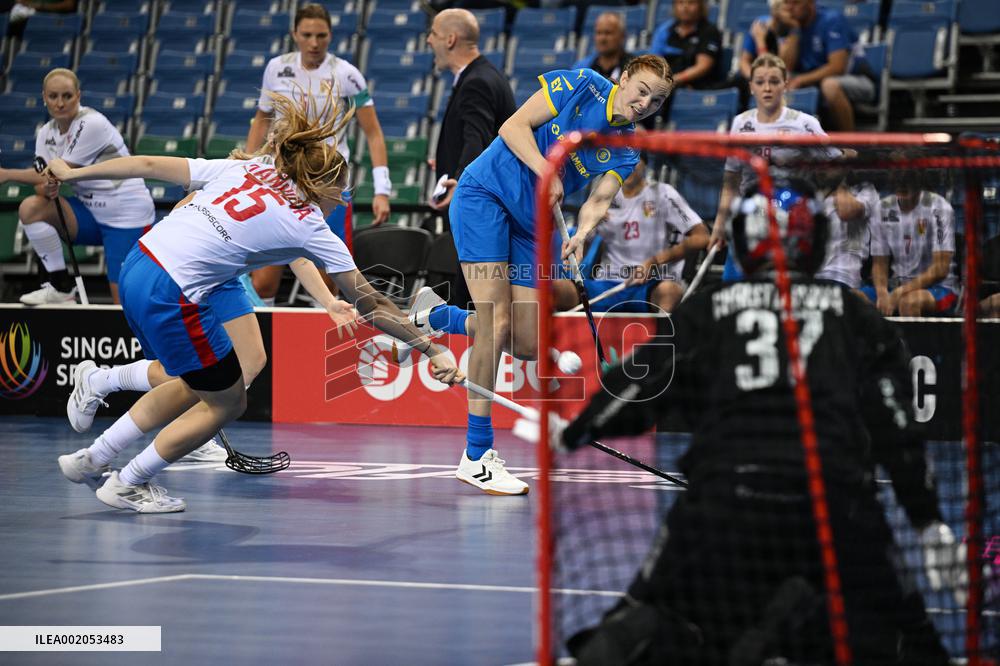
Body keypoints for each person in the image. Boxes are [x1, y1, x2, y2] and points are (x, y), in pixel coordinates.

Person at [526, 181, 962, 664]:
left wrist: (578, 428)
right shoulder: (851, 313)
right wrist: (927, 522)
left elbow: (641, 387)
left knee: (648, 613)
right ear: (814, 240)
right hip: (835, 503)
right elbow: (896, 427)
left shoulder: (710, 306)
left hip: (722, 502)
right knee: (906, 632)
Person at [50, 88, 462, 513]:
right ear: (316, 184)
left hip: (142, 261)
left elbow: (150, 164)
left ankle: (94, 457)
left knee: (199, 380)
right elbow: (372, 303)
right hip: (174, 292)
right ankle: (129, 480)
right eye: (341, 189)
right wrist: (431, 348)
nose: (341, 198)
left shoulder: (252, 168)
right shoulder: (311, 224)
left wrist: (75, 173)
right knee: (228, 400)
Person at [403, 55, 674, 496]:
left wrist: (583, 232)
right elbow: (512, 127)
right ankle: (477, 455)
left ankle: (437, 317)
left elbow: (599, 199)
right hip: (485, 198)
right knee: (496, 321)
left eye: (657, 100)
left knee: (527, 344)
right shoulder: (582, 85)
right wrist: (545, 168)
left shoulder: (627, 145)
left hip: (535, 226)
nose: (645, 103)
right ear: (623, 80)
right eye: (641, 90)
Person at [246, 3, 392, 305]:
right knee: (263, 282)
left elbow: (374, 133)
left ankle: (320, 345)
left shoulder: (348, 75)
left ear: (330, 36)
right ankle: (266, 347)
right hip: (280, 180)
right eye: (307, 35)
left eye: (321, 35)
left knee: (330, 280)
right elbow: (262, 118)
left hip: (327, 185)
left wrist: (382, 190)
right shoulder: (276, 68)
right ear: (294, 34)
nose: (314, 43)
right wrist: (248, 166)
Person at [0, 68, 154, 305]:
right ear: (44, 97)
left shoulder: (92, 123)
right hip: (90, 214)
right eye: (53, 96)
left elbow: (61, 171)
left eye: (67, 96)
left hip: (126, 216)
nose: (60, 103)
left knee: (122, 302)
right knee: (31, 207)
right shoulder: (45, 133)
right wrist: (48, 188)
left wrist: (7, 174)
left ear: (78, 96)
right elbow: (44, 183)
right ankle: (61, 287)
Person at [712, 53, 839, 283]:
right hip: (751, 217)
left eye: (774, 81)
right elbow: (730, 180)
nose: (767, 88)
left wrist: (828, 197)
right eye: (760, 82)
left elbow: (836, 163)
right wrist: (720, 224)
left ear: (785, 85)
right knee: (733, 286)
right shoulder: (741, 123)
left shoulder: (804, 123)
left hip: (792, 221)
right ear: (751, 87)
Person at [426, 7, 516, 308]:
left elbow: (476, 139)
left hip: (481, 211)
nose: (428, 40)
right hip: (487, 209)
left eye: (433, 34)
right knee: (473, 300)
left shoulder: (477, 81)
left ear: (450, 39)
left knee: (476, 304)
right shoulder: (483, 75)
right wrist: (447, 163)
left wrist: (458, 181)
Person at [552, 151, 710, 313]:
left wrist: (654, 261)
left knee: (670, 292)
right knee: (553, 289)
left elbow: (702, 236)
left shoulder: (663, 193)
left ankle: (663, 337)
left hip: (646, 285)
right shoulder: (603, 198)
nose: (627, 164)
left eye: (633, 159)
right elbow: (581, 248)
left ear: (645, 164)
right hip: (604, 285)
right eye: (621, 158)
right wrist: (582, 241)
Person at [863, 170, 959, 317]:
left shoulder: (939, 207)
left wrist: (900, 292)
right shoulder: (882, 208)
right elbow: (879, 263)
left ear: (919, 180)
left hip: (940, 288)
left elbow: (940, 268)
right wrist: (882, 293)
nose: (902, 184)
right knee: (853, 297)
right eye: (898, 179)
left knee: (909, 302)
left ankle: (914, 341)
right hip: (896, 284)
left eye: (908, 179)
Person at [776, 0, 873, 132]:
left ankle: (850, 144)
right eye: (787, 3)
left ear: (810, 3)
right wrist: (794, 30)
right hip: (814, 80)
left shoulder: (831, 19)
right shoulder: (791, 24)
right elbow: (786, 68)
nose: (790, 8)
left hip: (856, 80)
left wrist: (800, 80)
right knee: (776, 82)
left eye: (795, 3)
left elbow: (837, 67)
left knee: (830, 86)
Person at [814, 179, 879, 292]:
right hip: (811, 275)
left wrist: (841, 182)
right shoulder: (815, 189)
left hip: (841, 276)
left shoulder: (865, 190)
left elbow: (847, 211)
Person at [649, 0, 723, 90]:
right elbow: (653, 62)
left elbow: (703, 66)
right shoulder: (665, 30)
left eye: (691, 3)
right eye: (680, 2)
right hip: (667, 83)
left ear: (700, 6)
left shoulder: (709, 31)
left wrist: (673, 80)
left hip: (697, 86)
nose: (685, 7)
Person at [572, 11, 634, 83]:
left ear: (622, 36)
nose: (602, 38)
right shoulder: (582, 68)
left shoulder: (634, 68)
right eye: (599, 33)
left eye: (608, 33)